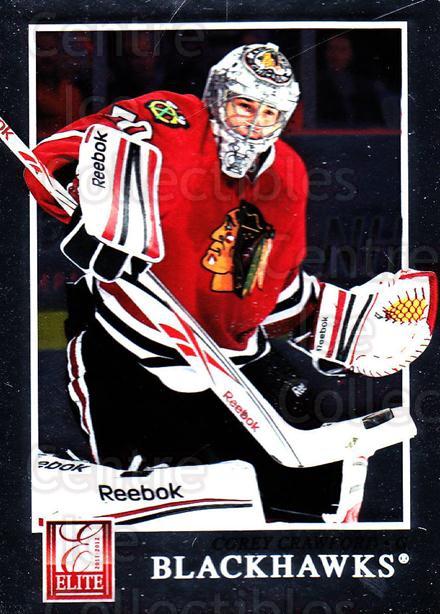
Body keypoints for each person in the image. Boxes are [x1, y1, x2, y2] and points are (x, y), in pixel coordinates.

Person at [24, 43, 435, 523]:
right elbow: (55, 157)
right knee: (152, 516)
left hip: (233, 363)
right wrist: (92, 203)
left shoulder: (288, 175)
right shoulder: (170, 118)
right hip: (129, 354)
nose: (254, 124)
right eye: (244, 106)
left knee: (321, 498)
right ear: (218, 96)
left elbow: (266, 288)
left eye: (269, 114)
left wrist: (335, 326)